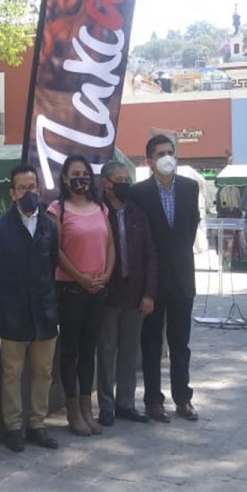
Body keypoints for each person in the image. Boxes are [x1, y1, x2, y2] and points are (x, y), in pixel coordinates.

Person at [0, 164, 60, 453]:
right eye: (22, 188)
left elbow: (51, 265)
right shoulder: (0, 227)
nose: (29, 193)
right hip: (12, 311)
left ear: (39, 189)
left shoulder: (49, 226)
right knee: (12, 373)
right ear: (12, 193)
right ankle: (13, 428)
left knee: (43, 372)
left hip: (44, 311)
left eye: (33, 187)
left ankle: (37, 425)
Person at [130, 135, 201, 422]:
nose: (167, 157)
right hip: (153, 281)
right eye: (161, 153)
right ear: (149, 161)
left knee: (180, 343)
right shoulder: (140, 193)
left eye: (170, 152)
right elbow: (141, 240)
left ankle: (183, 399)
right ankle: (153, 401)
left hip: (182, 278)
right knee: (151, 343)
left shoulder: (189, 188)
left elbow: (190, 229)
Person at [47, 155, 114, 437]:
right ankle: (72, 410)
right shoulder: (57, 209)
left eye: (85, 173)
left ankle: (87, 407)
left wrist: (106, 274)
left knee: (90, 350)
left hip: (98, 290)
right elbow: (56, 251)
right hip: (71, 289)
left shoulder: (101, 208)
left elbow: (110, 244)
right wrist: (80, 277)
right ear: (65, 178)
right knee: (70, 350)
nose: (81, 178)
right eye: (75, 174)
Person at [96, 161, 157, 427]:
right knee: (106, 351)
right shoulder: (97, 211)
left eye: (126, 178)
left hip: (135, 295)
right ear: (106, 183)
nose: (124, 183)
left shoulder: (137, 213)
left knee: (130, 352)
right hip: (108, 295)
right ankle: (107, 407)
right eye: (119, 179)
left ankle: (126, 403)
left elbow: (150, 255)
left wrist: (149, 294)